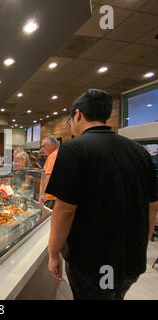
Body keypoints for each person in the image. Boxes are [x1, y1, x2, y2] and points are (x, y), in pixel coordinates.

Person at [46, 89, 158, 300]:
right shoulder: (140, 152)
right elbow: (152, 207)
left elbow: (65, 210)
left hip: (96, 261)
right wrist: (139, 247)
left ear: (77, 115)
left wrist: (53, 253)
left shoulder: (73, 149)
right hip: (132, 259)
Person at [40, 136, 60, 209]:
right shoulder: (57, 153)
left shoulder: (53, 155)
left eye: (44, 146)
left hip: (51, 196)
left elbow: (48, 176)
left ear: (53, 145)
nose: (42, 149)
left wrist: (43, 194)